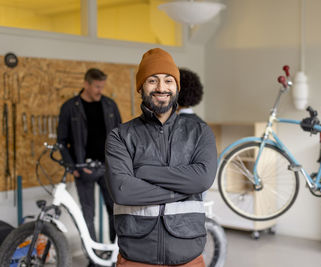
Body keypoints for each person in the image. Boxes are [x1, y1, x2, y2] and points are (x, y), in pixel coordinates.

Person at [105, 48, 217, 267]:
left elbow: (202, 180)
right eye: (152, 80)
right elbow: (122, 190)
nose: (161, 88)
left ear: (176, 87)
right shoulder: (120, 136)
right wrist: (185, 188)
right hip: (137, 256)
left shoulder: (200, 132)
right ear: (141, 87)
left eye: (168, 80)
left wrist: (144, 171)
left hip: (188, 256)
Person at [57, 68, 121, 266]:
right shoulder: (70, 107)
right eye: (96, 86)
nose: (99, 90)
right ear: (86, 84)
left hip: (108, 168)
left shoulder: (110, 105)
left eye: (102, 86)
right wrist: (73, 167)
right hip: (83, 170)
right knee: (88, 214)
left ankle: (116, 255)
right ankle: (93, 258)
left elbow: (120, 136)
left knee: (115, 210)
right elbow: (61, 141)